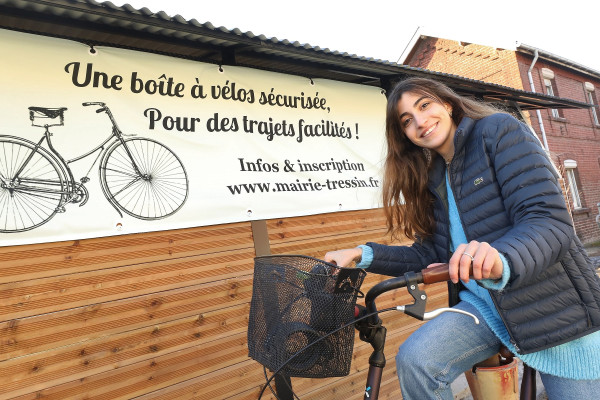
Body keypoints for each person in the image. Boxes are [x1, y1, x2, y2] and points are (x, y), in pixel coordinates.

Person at [324, 77, 600, 399]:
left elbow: (547, 221)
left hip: (552, 305)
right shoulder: (436, 176)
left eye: (424, 105)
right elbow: (428, 254)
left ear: (447, 103)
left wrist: (500, 258)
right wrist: (361, 254)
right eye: (407, 120)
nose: (420, 122)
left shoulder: (497, 131)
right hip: (487, 307)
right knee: (416, 361)